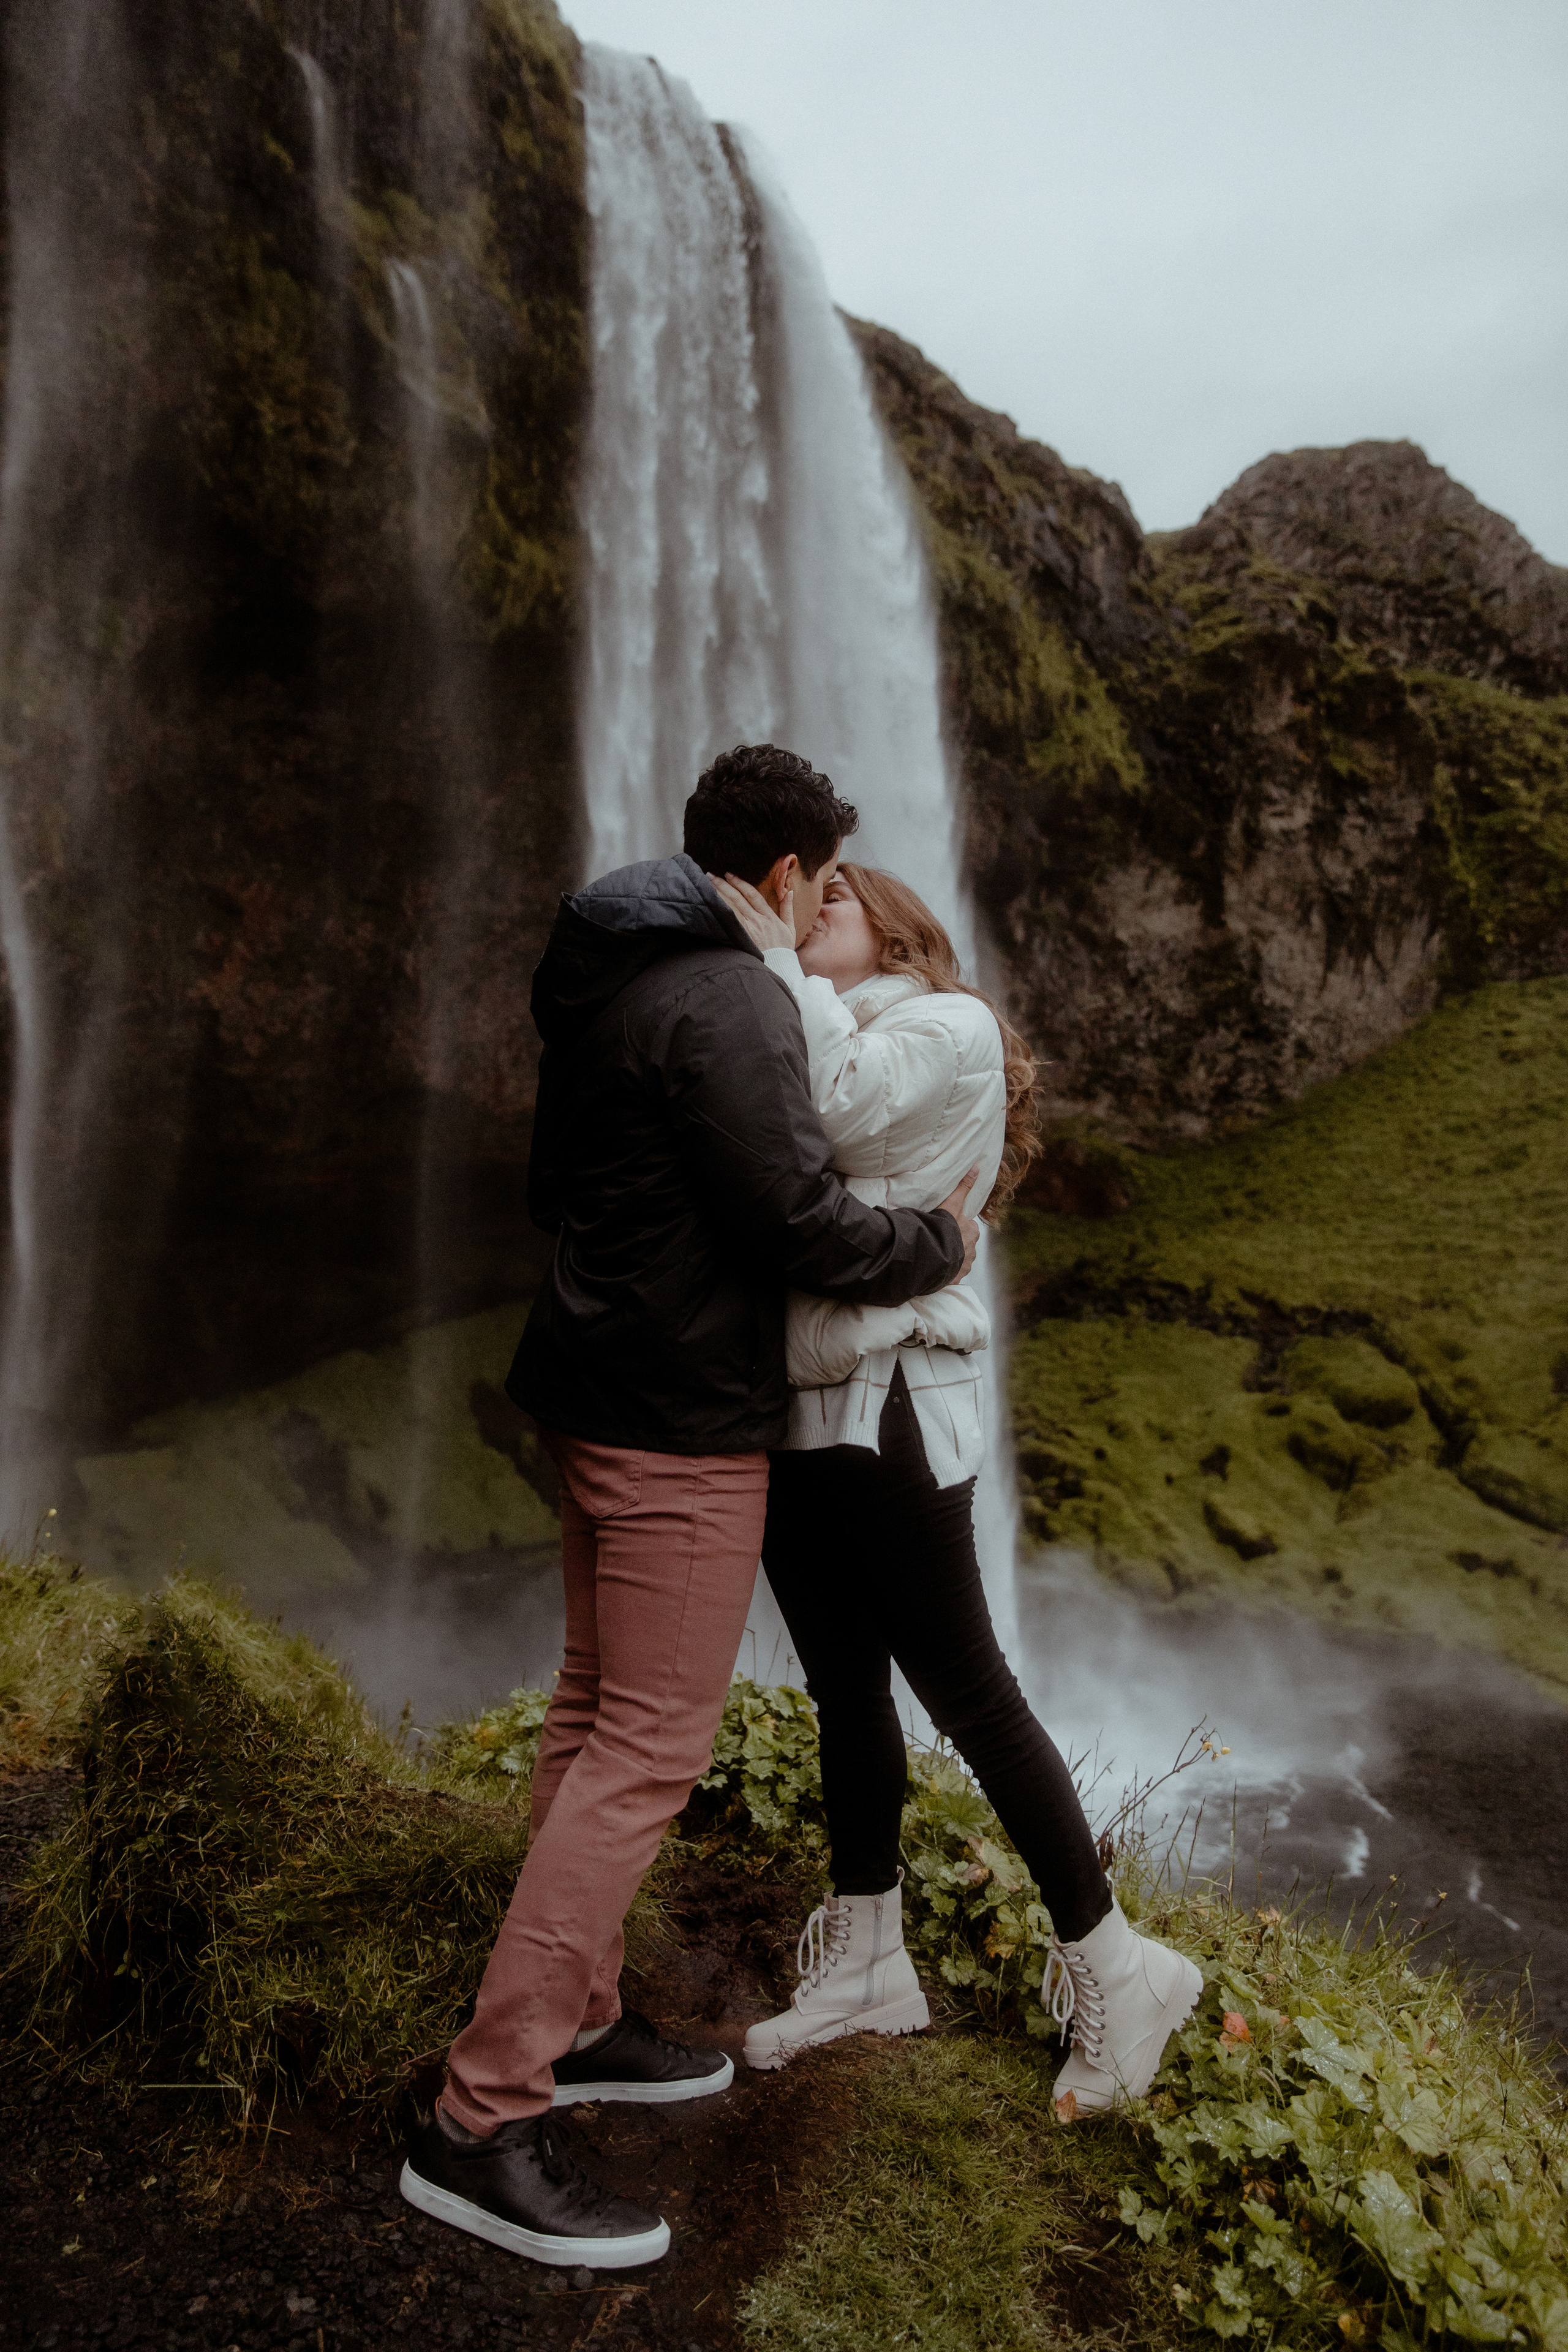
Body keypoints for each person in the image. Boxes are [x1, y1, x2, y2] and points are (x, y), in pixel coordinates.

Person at [399, 746, 980, 2269]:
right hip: (680, 1421)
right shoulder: (730, 996)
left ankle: (578, 2022)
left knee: (593, 1714)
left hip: (589, 1386)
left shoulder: (612, 978)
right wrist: (936, 1239)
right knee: (647, 1751)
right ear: (786, 879)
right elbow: (796, 1216)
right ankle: (481, 2116)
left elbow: (548, 1189)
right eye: (822, 880)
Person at [709, 860, 1202, 2120]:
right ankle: (868, 1958)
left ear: (896, 931)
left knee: (970, 1692)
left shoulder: (944, 1022)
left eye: (827, 901)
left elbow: (826, 1111)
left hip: (891, 1410)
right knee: (842, 1689)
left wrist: (769, 960)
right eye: (796, 903)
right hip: (799, 1412)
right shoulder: (826, 1009)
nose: (798, 912)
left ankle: (1117, 1962)